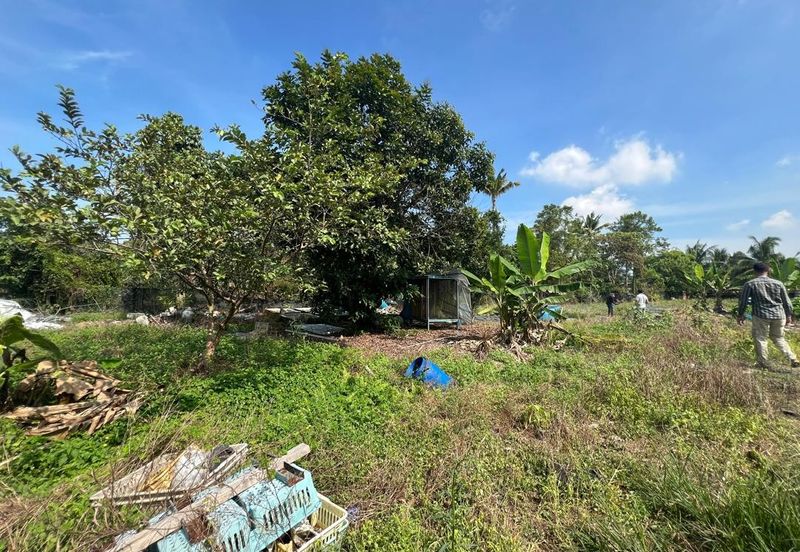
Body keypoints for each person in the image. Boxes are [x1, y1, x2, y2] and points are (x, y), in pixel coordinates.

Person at [737, 262, 799, 368]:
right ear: (768, 270)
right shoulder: (778, 283)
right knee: (779, 338)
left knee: (761, 338)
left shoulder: (750, 284)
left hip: (761, 316)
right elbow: (786, 301)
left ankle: (762, 363)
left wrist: (740, 314)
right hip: (779, 315)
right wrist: (789, 315)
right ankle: (792, 358)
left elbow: (743, 301)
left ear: (754, 271)